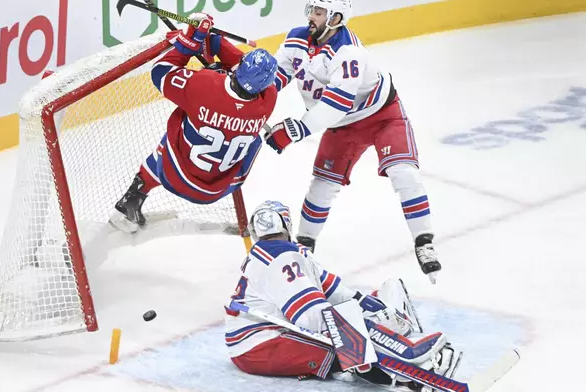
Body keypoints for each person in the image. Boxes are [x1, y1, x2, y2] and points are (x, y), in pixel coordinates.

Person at [264, 0, 441, 283]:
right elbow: (275, 79)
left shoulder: (348, 52)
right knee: (322, 186)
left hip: (382, 115)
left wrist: (296, 129)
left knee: (404, 173)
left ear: (336, 18)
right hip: (342, 127)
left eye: (319, 12)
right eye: (311, 10)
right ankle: (304, 248)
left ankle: (424, 242)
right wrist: (247, 93)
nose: (312, 16)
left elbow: (336, 105)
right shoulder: (296, 38)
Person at [224, 200, 460, 388]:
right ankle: (411, 362)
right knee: (344, 333)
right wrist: (357, 331)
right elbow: (312, 318)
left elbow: (338, 292)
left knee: (381, 297)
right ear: (286, 224)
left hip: (262, 341)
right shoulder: (280, 257)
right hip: (260, 346)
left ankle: (388, 359)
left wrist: (374, 308)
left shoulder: (292, 253)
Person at [109, 13, 278, 233]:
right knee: (254, 141)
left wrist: (190, 43)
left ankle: (134, 195)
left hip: (174, 176)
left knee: (183, 120)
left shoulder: (204, 85)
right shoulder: (270, 99)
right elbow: (239, 72)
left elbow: (160, 72)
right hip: (216, 191)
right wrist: (216, 44)